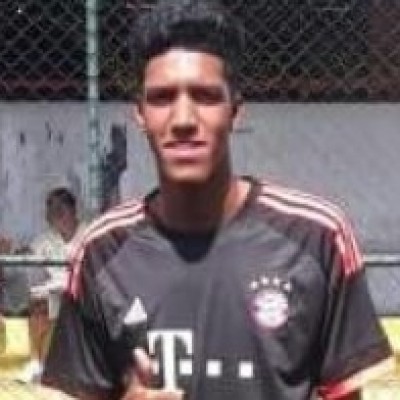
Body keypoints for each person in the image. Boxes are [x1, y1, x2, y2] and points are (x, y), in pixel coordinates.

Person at [42, 1, 394, 399]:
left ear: (235, 111)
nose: (183, 119)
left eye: (206, 96)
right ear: (140, 114)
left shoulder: (317, 237)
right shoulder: (102, 253)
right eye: (162, 98)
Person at [31, 187, 86, 291]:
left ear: (74, 210)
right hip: (55, 294)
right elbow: (27, 256)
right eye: (53, 212)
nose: (59, 216)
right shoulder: (45, 240)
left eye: (62, 210)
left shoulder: (89, 233)